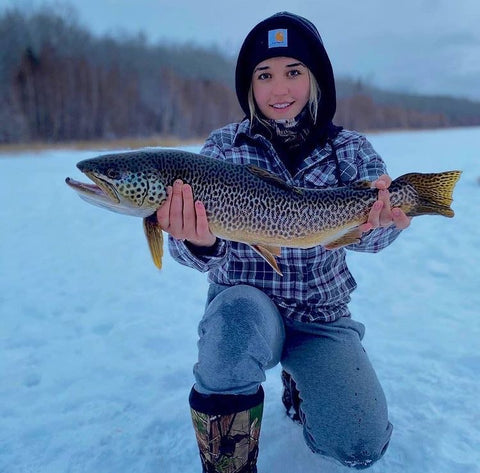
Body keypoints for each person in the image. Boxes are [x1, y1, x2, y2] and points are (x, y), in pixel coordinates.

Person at [156, 11, 410, 472]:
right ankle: (229, 464)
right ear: (249, 85)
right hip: (246, 307)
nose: (279, 88)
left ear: (315, 79)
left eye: (293, 72)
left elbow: (375, 240)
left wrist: (384, 221)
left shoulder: (349, 150)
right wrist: (198, 243)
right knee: (228, 339)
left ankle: (303, 382)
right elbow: (183, 251)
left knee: (360, 443)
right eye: (265, 74)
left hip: (320, 315)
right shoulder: (223, 149)